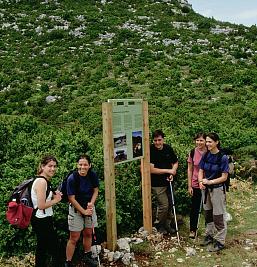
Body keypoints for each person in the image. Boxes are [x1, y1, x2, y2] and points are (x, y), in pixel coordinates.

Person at [65, 154, 99, 267]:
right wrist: (83, 211)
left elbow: (95, 191)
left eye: (85, 164)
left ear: (89, 165)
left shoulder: (92, 175)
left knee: (88, 233)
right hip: (76, 210)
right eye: (80, 164)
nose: (82, 167)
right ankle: (68, 262)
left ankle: (87, 255)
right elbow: (71, 198)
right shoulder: (72, 178)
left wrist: (92, 203)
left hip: (89, 208)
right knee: (74, 237)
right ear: (77, 165)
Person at [198, 133, 229, 252]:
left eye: (210, 142)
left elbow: (224, 177)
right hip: (205, 188)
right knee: (208, 213)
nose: (207, 144)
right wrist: (201, 181)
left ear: (217, 142)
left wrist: (210, 182)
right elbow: (201, 170)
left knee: (218, 215)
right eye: (207, 141)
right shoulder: (206, 155)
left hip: (217, 189)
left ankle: (220, 240)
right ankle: (209, 235)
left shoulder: (223, 157)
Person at [31, 155, 63, 267]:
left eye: (55, 166)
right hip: (42, 220)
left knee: (42, 248)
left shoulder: (42, 180)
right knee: (56, 250)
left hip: (41, 219)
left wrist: (54, 195)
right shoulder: (41, 182)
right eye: (50, 166)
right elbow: (41, 205)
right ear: (43, 166)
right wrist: (56, 200)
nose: (53, 169)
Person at [150, 129, 178, 234]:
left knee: (171, 204)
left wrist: (172, 172)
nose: (157, 142)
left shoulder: (168, 148)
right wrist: (168, 170)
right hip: (157, 183)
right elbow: (151, 169)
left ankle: (168, 224)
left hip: (169, 181)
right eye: (155, 140)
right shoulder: (150, 150)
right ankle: (159, 225)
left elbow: (175, 162)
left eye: (159, 140)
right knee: (164, 205)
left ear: (163, 139)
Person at [187, 132, 207, 239]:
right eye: (197, 140)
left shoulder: (209, 152)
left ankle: (209, 229)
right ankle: (192, 229)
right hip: (195, 183)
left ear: (205, 141)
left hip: (208, 182)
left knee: (208, 207)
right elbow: (190, 169)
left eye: (201, 140)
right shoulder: (193, 152)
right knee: (194, 207)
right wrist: (189, 185)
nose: (199, 142)